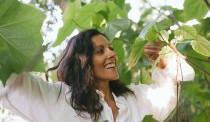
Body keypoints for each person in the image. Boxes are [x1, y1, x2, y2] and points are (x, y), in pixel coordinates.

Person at [0, 29, 195, 122]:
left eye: (110, 48)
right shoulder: (58, 99)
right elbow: (8, 82)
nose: (112, 53)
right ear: (83, 60)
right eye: (100, 51)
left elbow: (171, 93)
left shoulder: (133, 99)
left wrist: (166, 58)